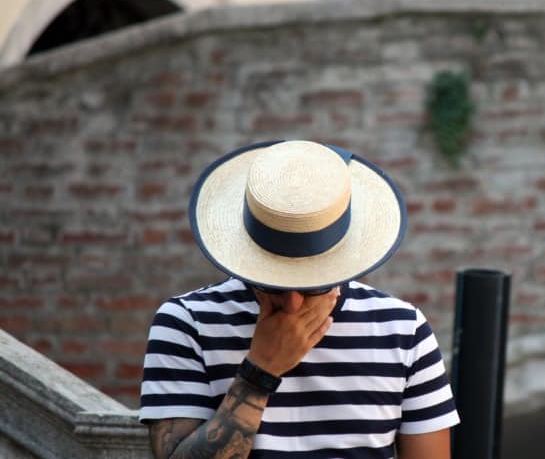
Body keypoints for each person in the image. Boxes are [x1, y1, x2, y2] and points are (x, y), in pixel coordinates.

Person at [139, 140, 460, 458]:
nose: (292, 304)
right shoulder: (187, 323)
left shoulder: (403, 331)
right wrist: (260, 371)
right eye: (272, 283)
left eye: (311, 285)